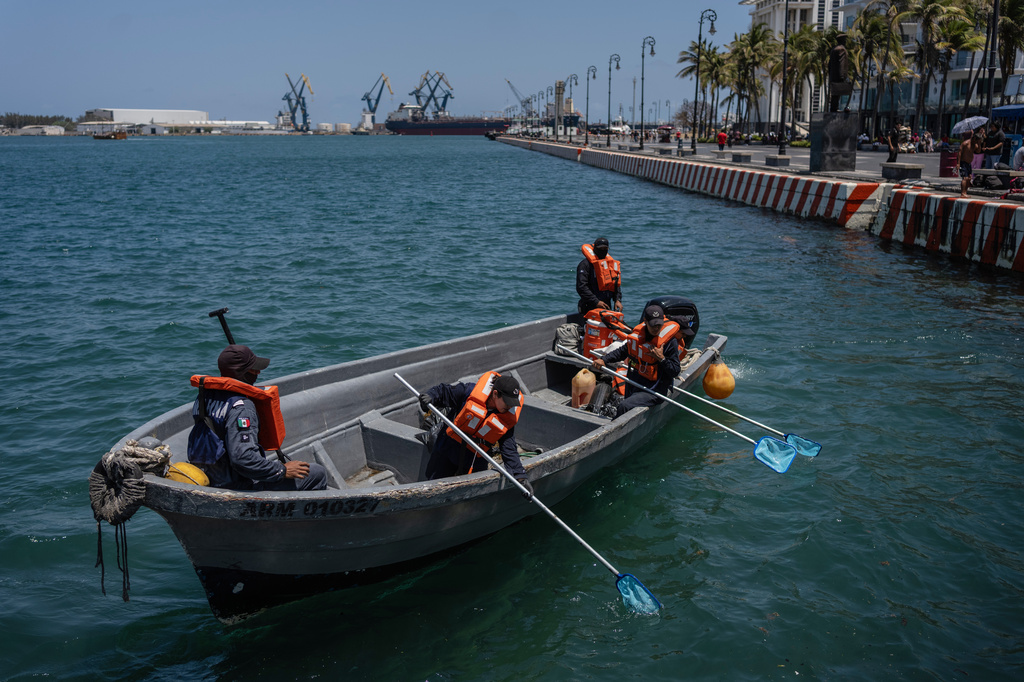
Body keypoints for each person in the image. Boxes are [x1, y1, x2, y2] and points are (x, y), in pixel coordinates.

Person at [187, 344, 328, 491]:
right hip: (238, 485)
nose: (258, 372)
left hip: (212, 476)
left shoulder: (204, 398)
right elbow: (243, 459)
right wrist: (282, 470)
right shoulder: (241, 407)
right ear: (242, 372)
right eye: (254, 369)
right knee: (317, 473)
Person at [418, 372, 533, 498]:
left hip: (475, 459)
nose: (510, 406)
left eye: (512, 403)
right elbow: (444, 391)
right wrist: (430, 396)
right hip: (448, 449)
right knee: (433, 487)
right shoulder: (468, 391)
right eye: (507, 402)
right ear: (495, 394)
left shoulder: (506, 417)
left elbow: (509, 449)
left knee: (471, 494)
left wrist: (521, 478)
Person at [591, 304, 680, 417]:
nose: (656, 328)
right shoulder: (638, 336)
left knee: (624, 406)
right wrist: (604, 360)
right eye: (653, 325)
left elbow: (675, 370)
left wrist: (661, 358)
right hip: (634, 383)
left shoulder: (669, 342)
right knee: (625, 403)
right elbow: (623, 351)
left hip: (654, 390)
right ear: (645, 321)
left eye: (659, 325)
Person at [576, 237, 622, 314]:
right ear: (595, 249)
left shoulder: (609, 265)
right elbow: (581, 287)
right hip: (589, 305)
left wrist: (617, 300)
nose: (603, 251)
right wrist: (596, 301)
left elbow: (615, 283)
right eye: (600, 249)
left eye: (605, 249)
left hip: (606, 305)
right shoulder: (585, 265)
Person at [958, 131, 975, 198]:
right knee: (965, 178)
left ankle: (965, 192)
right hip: (963, 162)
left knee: (969, 178)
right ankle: (962, 193)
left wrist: (979, 143)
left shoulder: (972, 143)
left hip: (969, 163)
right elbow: (959, 153)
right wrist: (958, 163)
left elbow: (978, 150)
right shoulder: (965, 143)